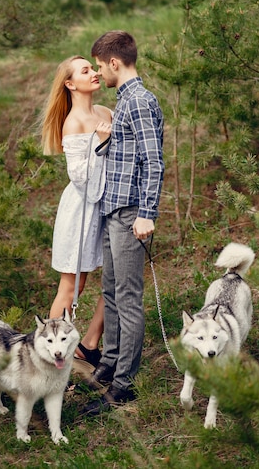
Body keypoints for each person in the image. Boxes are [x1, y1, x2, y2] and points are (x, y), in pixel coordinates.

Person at [82, 30, 164, 415]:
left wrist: (147, 213)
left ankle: (125, 385)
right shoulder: (124, 102)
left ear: (114, 62)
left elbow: (153, 161)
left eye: (100, 65)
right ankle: (111, 362)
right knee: (112, 292)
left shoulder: (141, 102)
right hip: (113, 211)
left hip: (132, 213)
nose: (100, 72)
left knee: (129, 299)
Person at [41, 55, 112, 367]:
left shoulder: (106, 112)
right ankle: (45, 356)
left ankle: (89, 344)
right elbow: (80, 178)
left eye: (93, 68)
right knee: (72, 287)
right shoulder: (73, 122)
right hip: (81, 210)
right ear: (70, 84)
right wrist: (101, 143)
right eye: (86, 70)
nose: (95, 73)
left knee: (115, 278)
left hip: (107, 207)